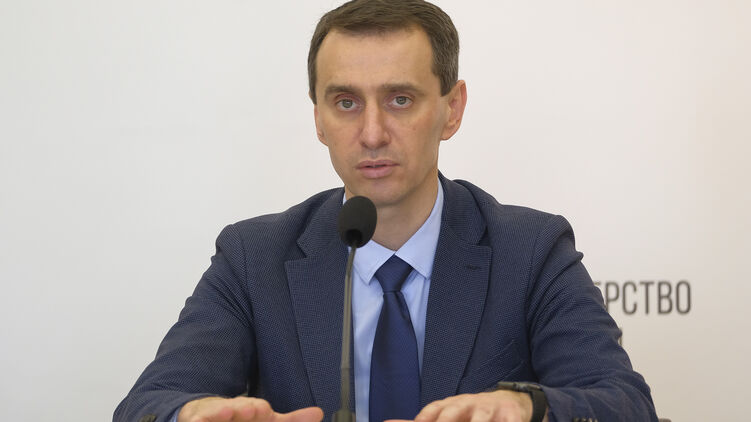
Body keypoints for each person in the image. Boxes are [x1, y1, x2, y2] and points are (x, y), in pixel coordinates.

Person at [115, 1, 658, 421]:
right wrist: (192, 414)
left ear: (452, 108)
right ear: (319, 118)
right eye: (346, 103)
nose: (372, 134)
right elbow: (149, 403)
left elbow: (625, 404)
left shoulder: (531, 252)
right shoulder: (253, 258)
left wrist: (526, 408)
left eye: (400, 99)